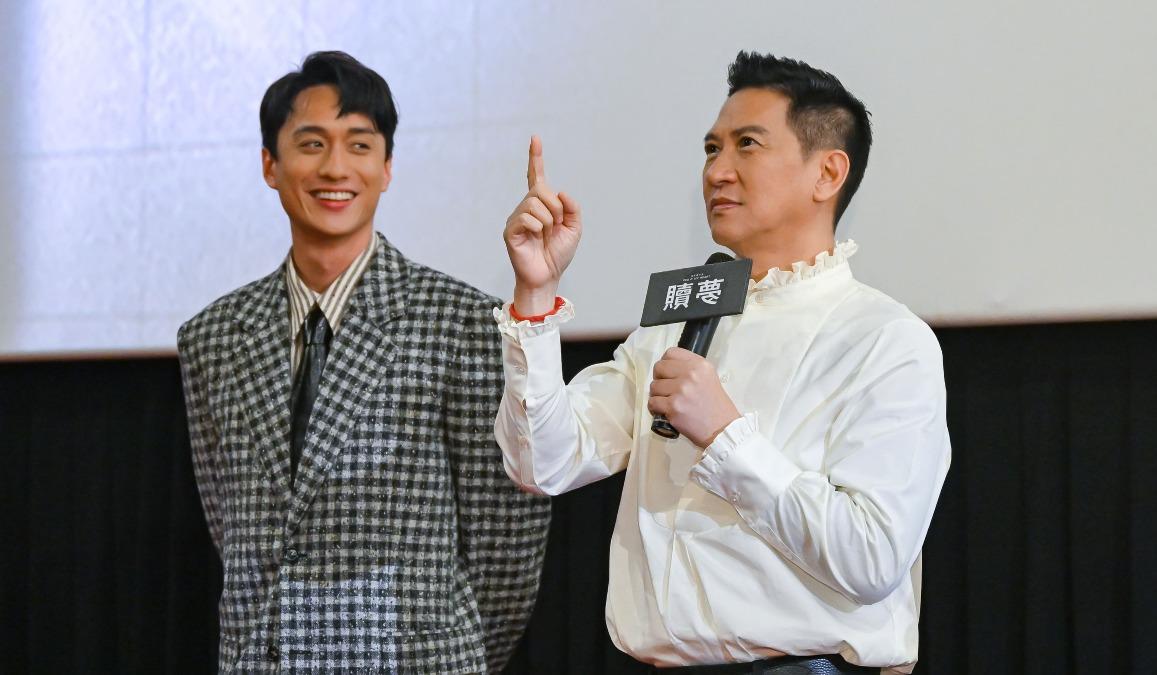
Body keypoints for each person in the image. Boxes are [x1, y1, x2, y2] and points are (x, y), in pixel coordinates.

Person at [494, 51, 951, 674]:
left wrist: (726, 436)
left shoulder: (885, 338)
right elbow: (541, 463)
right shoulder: (678, 325)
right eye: (712, 149)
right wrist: (536, 295)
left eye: (747, 145)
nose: (717, 171)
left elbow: (871, 557)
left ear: (827, 173)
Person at [177, 51, 550, 673]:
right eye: (311, 144)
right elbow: (231, 524)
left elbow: (505, 537)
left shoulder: (461, 324)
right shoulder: (212, 338)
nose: (335, 167)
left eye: (359, 144)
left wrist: (447, 653)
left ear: (387, 167)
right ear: (270, 164)